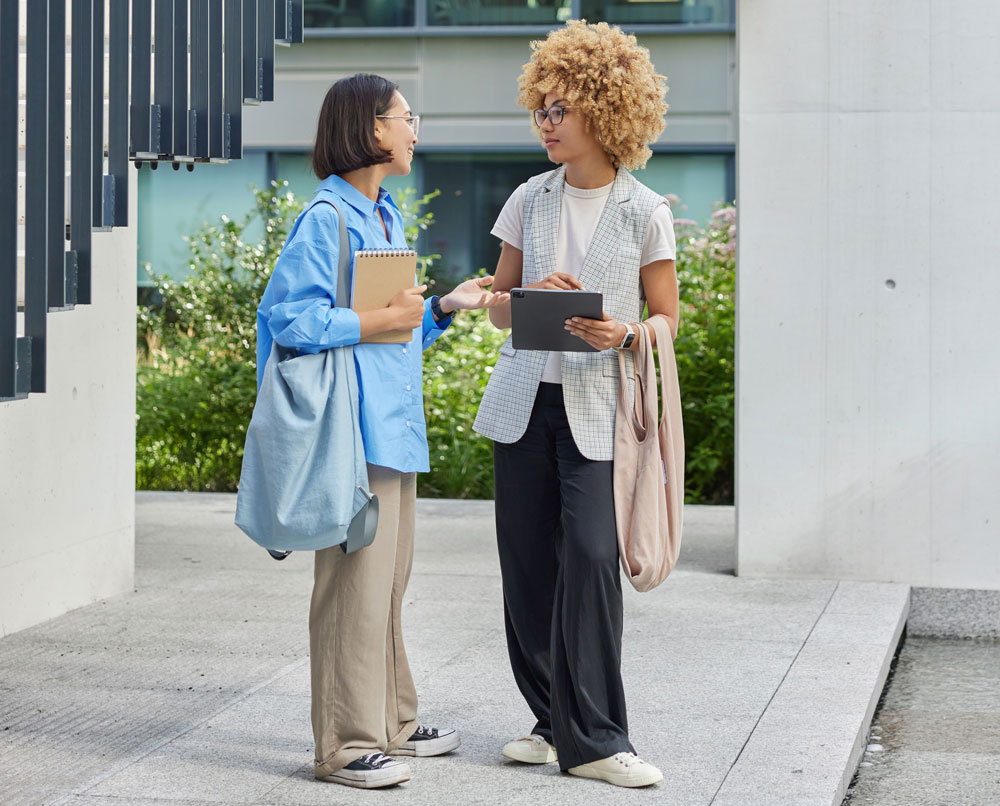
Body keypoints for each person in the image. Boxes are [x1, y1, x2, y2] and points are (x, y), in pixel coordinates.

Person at [256, 73, 508, 790]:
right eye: (405, 117)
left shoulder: (384, 216)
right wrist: (377, 321)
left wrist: (443, 310)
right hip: (350, 440)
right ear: (370, 130)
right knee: (351, 591)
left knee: (386, 587)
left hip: (390, 435)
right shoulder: (327, 219)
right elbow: (290, 324)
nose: (414, 128)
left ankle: (394, 721)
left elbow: (389, 341)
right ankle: (344, 744)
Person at [473, 21, 679, 788]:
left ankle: (595, 738)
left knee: (592, 556)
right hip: (525, 404)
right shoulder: (530, 198)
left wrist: (624, 330)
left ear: (606, 109)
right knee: (527, 567)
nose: (547, 123)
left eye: (561, 110)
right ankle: (549, 721)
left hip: (601, 410)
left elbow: (667, 319)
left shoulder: (642, 210)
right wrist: (528, 297)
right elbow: (497, 305)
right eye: (541, 110)